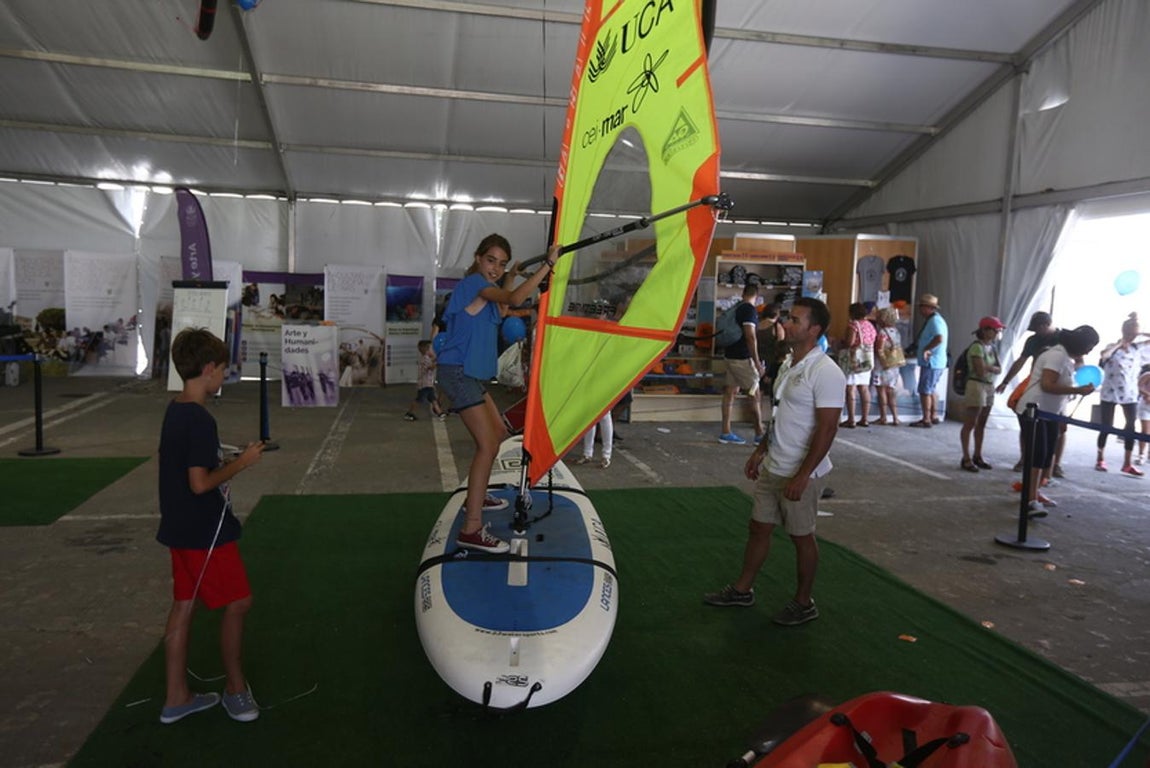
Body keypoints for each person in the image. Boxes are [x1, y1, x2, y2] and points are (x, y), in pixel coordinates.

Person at [704, 298, 845, 626]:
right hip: (775, 465)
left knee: (801, 536)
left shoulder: (826, 372)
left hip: (801, 473)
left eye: (796, 320)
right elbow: (781, 416)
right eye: (789, 318)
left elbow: (827, 429)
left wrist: (803, 476)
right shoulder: (789, 364)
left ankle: (803, 602)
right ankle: (743, 590)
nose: (787, 324)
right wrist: (761, 450)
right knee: (758, 528)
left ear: (815, 330)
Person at [157, 328, 265, 725]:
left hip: (179, 527)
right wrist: (242, 463)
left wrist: (222, 461)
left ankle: (176, 696)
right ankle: (235, 689)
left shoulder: (176, 408)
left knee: (184, 605)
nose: (224, 375)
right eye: (222, 369)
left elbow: (188, 467)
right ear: (207, 369)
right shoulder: (200, 419)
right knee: (238, 603)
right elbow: (199, 483)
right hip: (205, 531)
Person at [436, 234, 561, 554]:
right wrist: (547, 265)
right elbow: (516, 299)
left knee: (500, 432)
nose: (495, 267)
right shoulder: (471, 285)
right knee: (487, 444)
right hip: (458, 372)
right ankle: (472, 528)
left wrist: (514, 273)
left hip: (471, 375)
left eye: (501, 263)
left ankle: (475, 497)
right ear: (478, 258)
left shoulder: (487, 294)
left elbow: (505, 306)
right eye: (491, 260)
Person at [1012, 326, 1099, 514]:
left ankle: (1035, 492)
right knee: (1037, 454)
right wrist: (1077, 390)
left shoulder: (1066, 358)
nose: (1089, 351)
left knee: (1046, 454)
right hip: (1034, 410)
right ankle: (1030, 500)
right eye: (1089, 346)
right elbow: (1047, 385)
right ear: (1080, 344)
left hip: (1049, 413)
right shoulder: (1057, 356)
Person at [997, 311, 1064, 475]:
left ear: (1045, 325)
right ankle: (1025, 458)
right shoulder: (1033, 340)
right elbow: (1021, 361)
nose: (1035, 332)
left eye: (1037, 329)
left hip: (1058, 387)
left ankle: (1055, 464)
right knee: (1028, 422)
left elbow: (1076, 360)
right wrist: (1006, 381)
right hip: (1035, 383)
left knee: (1060, 428)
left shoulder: (1063, 338)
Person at [1095, 313, 1150, 476]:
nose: (1132, 335)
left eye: (1135, 332)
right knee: (1106, 426)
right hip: (1109, 392)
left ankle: (1127, 463)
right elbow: (1103, 355)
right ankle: (1100, 458)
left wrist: (1140, 333)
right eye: (1130, 331)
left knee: (1130, 427)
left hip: (1130, 393)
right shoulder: (1113, 347)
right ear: (1123, 331)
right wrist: (1119, 344)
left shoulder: (1138, 349)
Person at [719, 283, 766, 445]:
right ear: (757, 296)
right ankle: (759, 433)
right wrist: (757, 362)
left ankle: (725, 431)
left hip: (729, 355)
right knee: (755, 393)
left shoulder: (736, 307)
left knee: (730, 392)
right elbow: (750, 337)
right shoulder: (749, 310)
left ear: (743, 293)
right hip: (742, 359)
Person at [959, 316, 1004, 472]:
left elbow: (999, 368)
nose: (998, 333)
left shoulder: (992, 347)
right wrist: (991, 368)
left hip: (988, 385)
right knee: (971, 422)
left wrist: (988, 367)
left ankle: (978, 455)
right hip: (976, 385)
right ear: (985, 330)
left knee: (982, 423)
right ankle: (966, 457)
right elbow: (979, 370)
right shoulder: (976, 347)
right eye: (996, 330)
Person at [909, 293, 948, 427]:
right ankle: (934, 415)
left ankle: (926, 418)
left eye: (922, 307)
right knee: (931, 389)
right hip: (936, 362)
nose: (920, 310)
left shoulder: (934, 321)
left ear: (928, 308)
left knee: (925, 390)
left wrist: (926, 348)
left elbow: (939, 338)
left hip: (932, 361)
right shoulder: (935, 320)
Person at [840, 302, 876, 428]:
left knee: (851, 388)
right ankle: (865, 418)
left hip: (854, 360)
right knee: (864, 389)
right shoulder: (870, 326)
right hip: (867, 359)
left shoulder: (853, 325)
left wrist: (840, 343)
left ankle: (851, 419)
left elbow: (849, 343)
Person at [872, 306, 903, 425]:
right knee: (891, 392)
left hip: (883, 365)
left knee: (881, 391)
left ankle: (883, 417)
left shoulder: (882, 332)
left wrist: (883, 361)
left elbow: (879, 349)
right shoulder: (896, 331)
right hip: (894, 365)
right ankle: (895, 417)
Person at [404, 340, 445, 421]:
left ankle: (440, 413)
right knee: (419, 400)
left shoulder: (427, 358)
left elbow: (433, 360)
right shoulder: (425, 359)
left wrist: (438, 358)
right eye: (431, 349)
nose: (433, 350)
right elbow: (431, 367)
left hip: (429, 384)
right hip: (424, 385)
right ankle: (409, 413)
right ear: (427, 350)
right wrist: (438, 362)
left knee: (433, 399)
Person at [755, 302, 786, 398]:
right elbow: (782, 347)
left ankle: (756, 411)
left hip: (757, 362)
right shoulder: (776, 327)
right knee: (774, 392)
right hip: (772, 363)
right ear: (777, 314)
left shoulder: (756, 326)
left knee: (757, 391)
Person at [1137, 364, 1150, 466]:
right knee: (1145, 431)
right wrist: (1146, 394)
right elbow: (1139, 385)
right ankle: (1141, 454)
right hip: (1145, 405)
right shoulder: (1147, 374)